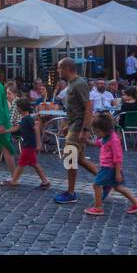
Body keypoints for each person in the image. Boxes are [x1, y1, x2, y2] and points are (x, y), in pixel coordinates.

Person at [84, 113, 137, 217]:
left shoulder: (113, 140)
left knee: (96, 184)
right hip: (109, 168)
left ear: (104, 129)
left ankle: (98, 208)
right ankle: (136, 203)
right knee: (118, 187)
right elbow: (99, 143)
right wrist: (87, 141)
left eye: (97, 131)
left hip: (109, 168)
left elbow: (118, 158)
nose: (96, 134)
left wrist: (117, 173)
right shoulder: (106, 137)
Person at [54, 56, 95, 205]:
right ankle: (107, 180)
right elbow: (75, 108)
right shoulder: (72, 84)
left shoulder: (79, 83)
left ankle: (71, 193)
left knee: (69, 157)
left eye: (59, 68)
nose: (58, 71)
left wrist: (85, 129)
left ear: (66, 68)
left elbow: (88, 107)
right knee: (80, 159)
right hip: (74, 126)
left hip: (78, 127)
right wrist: (67, 125)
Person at [3, 98, 50, 188]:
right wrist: (5, 131)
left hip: (29, 145)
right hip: (28, 144)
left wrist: (39, 143)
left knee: (21, 163)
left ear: (21, 108)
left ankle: (14, 180)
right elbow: (17, 128)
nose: (16, 109)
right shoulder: (24, 119)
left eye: (17, 107)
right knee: (34, 163)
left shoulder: (28, 119)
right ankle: (45, 181)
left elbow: (36, 129)